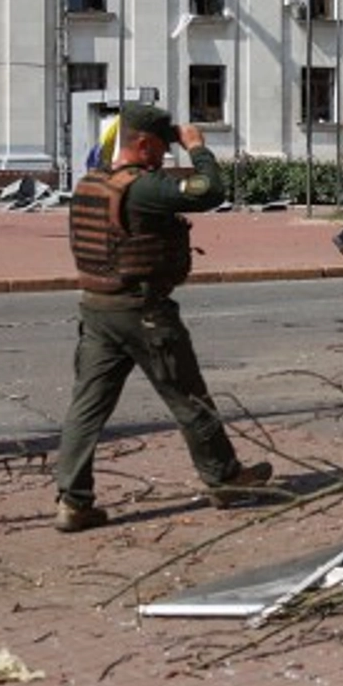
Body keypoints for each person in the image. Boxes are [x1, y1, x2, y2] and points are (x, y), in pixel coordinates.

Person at [51, 103, 271, 532]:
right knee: (188, 398)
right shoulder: (141, 188)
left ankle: (73, 501)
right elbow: (209, 191)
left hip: (97, 309)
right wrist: (198, 149)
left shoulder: (90, 183)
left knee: (86, 407)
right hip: (143, 311)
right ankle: (223, 478)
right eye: (160, 149)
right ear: (142, 143)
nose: (163, 159)